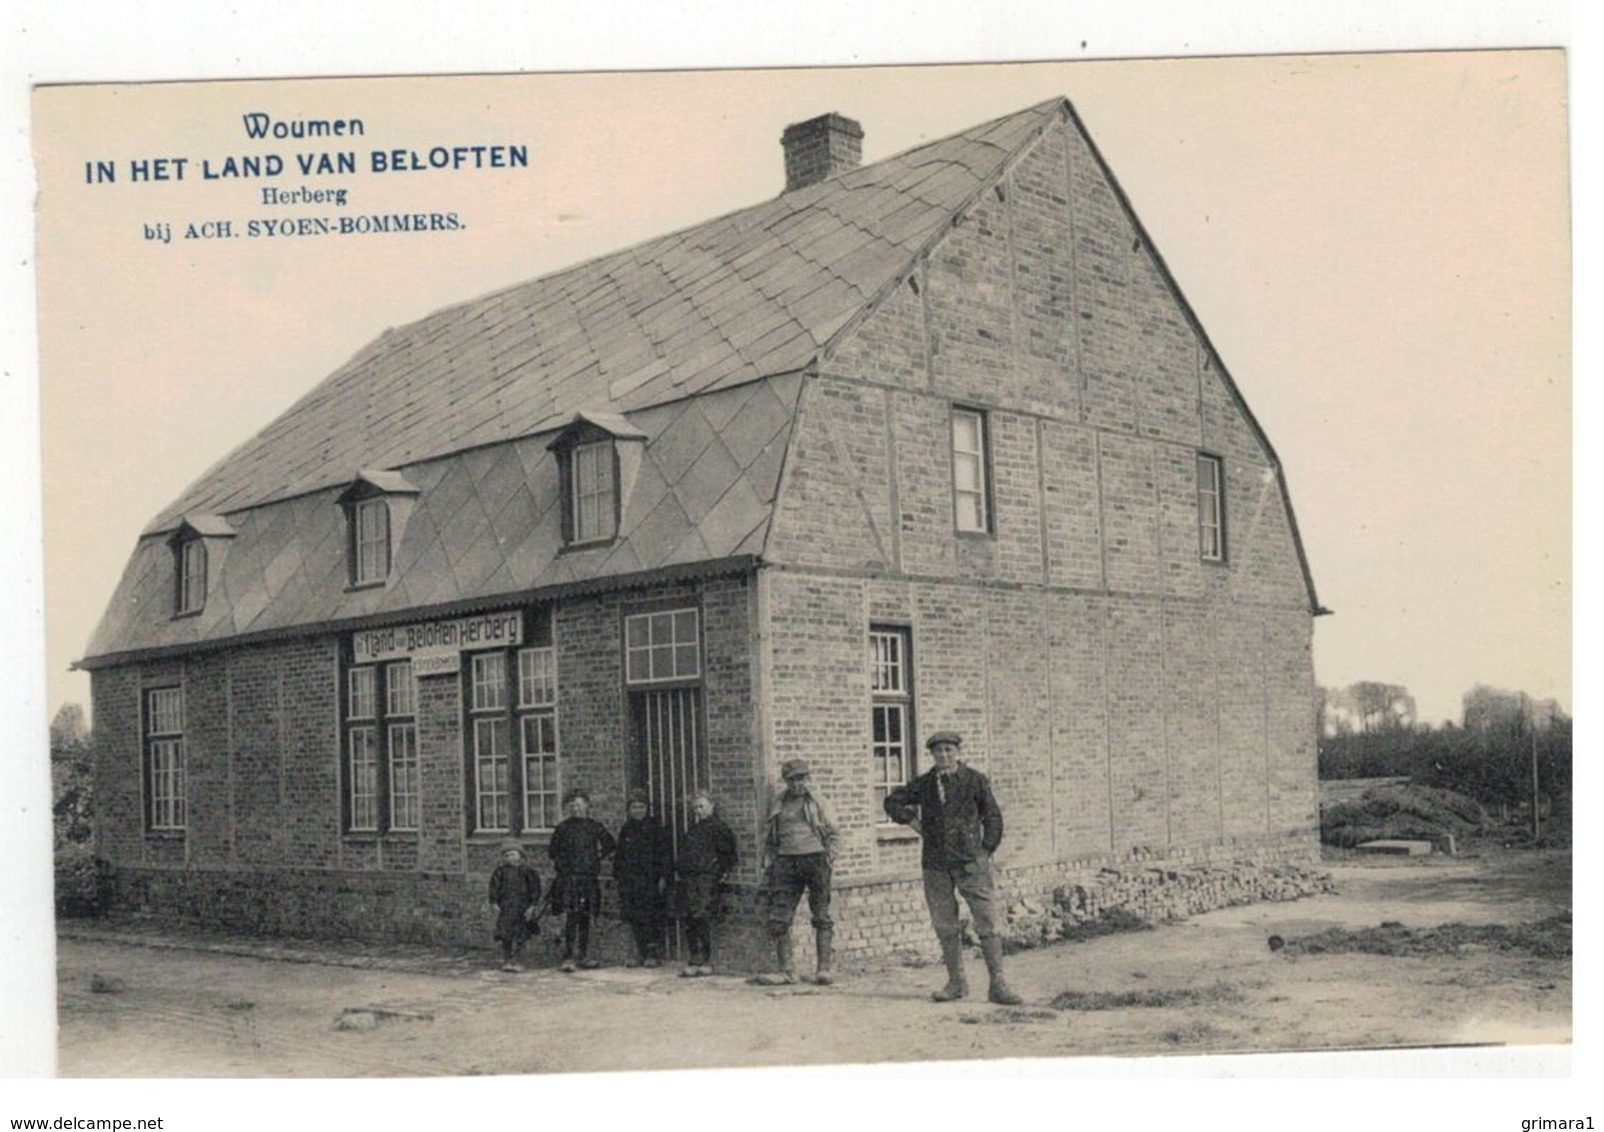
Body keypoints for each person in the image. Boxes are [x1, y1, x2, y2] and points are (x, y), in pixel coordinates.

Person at [883, 731, 1022, 1005]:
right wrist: (913, 822)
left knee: (987, 923)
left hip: (971, 863)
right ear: (932, 755)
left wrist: (985, 850)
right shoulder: (925, 784)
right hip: (936, 864)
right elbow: (892, 801)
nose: (944, 756)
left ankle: (998, 985)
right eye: (938, 751)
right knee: (945, 925)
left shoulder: (975, 781)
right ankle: (956, 983)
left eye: (948, 750)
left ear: (957, 752)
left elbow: (993, 817)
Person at [755, 759, 839, 986]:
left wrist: (828, 857)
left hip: (815, 860)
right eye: (792, 780)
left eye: (801, 779)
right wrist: (771, 862)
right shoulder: (778, 803)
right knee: (779, 916)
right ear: (786, 781)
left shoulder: (817, 801)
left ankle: (824, 969)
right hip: (785, 862)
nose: (797, 784)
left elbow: (833, 832)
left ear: (807, 779)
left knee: (821, 914)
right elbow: (769, 833)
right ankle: (788, 970)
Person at [547, 788, 617, 972]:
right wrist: (565, 866)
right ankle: (569, 956)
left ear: (587, 806)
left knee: (585, 917)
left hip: (588, 879)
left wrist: (596, 858)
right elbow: (552, 852)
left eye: (579, 804)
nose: (575, 808)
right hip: (570, 879)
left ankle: (584, 955)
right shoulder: (562, 828)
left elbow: (610, 844)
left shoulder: (594, 826)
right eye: (572, 805)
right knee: (572, 917)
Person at [675, 790, 738, 977]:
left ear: (712, 806)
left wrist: (720, 873)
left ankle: (707, 960)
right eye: (695, 807)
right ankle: (694, 958)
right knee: (690, 917)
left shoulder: (720, 828)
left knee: (704, 917)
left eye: (701, 806)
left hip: (707, 879)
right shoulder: (693, 830)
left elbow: (729, 855)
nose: (698, 810)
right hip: (690, 879)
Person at [613, 789, 673, 967]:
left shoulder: (655, 828)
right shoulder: (626, 829)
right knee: (634, 917)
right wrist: (619, 877)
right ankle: (639, 953)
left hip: (650, 881)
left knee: (651, 917)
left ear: (647, 809)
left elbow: (664, 854)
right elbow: (620, 855)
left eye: (641, 807)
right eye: (634, 807)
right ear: (629, 810)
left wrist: (663, 876)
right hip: (631, 881)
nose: (637, 810)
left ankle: (652, 954)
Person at [487, 840, 542, 973]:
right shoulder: (500, 872)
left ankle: (519, 960)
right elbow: (494, 888)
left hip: (522, 907)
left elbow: (535, 889)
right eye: (506, 855)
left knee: (521, 934)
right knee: (506, 934)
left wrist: (532, 905)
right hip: (506, 908)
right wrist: (494, 902)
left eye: (512, 854)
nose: (509, 858)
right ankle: (507, 960)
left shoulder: (528, 872)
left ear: (520, 855)